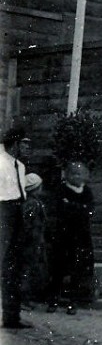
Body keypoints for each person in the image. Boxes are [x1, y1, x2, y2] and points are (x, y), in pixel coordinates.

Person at [47, 161, 95, 314]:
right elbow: (61, 209)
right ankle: (53, 300)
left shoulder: (87, 191)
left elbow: (90, 210)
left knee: (77, 269)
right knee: (58, 268)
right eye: (73, 173)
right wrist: (79, 208)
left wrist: (72, 206)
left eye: (79, 173)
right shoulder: (61, 190)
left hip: (81, 236)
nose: (76, 176)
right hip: (63, 235)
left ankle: (73, 302)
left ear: (84, 176)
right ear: (67, 175)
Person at [0, 127, 33, 330]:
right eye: (25, 144)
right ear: (14, 144)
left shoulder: (20, 166)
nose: (28, 148)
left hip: (18, 212)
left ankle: (12, 316)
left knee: (14, 266)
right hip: (2, 211)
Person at [21, 173, 48, 308]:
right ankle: (24, 299)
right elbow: (28, 224)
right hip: (32, 241)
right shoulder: (32, 204)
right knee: (28, 269)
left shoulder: (33, 202)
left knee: (30, 269)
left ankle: (27, 298)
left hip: (35, 240)